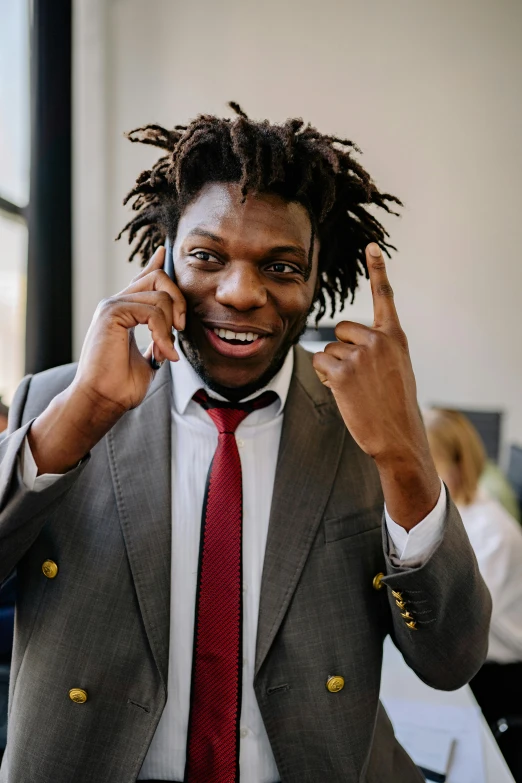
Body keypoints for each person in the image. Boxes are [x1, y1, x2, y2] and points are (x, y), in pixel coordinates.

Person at [0, 104, 490, 783]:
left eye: (282, 266)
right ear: (161, 259)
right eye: (207, 256)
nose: (241, 291)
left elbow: (451, 659)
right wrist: (77, 416)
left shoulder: (367, 430)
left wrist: (405, 455)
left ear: (319, 281)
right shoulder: (56, 403)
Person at [424, 408, 522, 779]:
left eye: (428, 465)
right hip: (475, 655)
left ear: (457, 467)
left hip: (500, 673)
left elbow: (462, 621)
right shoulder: (458, 507)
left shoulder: (493, 532)